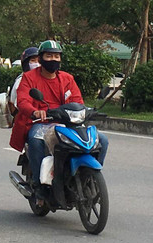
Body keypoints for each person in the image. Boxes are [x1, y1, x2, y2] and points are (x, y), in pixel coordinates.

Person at [9, 40, 109, 199]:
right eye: (49, 56)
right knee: (35, 140)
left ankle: (89, 176)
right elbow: (23, 100)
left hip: (66, 122)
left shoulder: (67, 78)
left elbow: (77, 100)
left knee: (102, 140)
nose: (53, 60)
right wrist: (35, 112)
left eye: (56, 56)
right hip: (41, 122)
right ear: (41, 58)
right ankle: (39, 184)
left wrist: (84, 111)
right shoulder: (29, 78)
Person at [7, 46, 40, 117]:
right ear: (26, 63)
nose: (37, 64)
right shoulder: (22, 80)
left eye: (39, 61)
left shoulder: (41, 79)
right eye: (33, 61)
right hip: (26, 120)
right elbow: (19, 104)